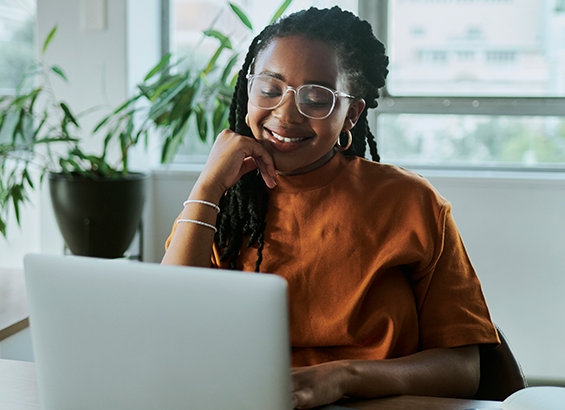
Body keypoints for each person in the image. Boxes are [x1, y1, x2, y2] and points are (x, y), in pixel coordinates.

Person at [162, 6, 499, 409]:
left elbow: (463, 370)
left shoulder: (410, 201)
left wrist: (342, 376)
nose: (286, 114)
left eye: (317, 98)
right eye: (270, 89)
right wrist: (208, 184)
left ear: (351, 115)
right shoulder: (223, 202)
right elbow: (168, 330)